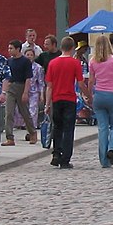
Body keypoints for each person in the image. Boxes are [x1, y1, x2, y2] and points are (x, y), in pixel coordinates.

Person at [87, 34, 113, 168]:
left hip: (99, 95)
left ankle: (104, 161)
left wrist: (89, 95)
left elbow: (91, 80)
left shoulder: (93, 61)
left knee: (102, 128)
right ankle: (112, 148)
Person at [45, 36, 86, 169]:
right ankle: (65, 159)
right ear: (73, 48)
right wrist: (88, 95)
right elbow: (80, 83)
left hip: (56, 99)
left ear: (61, 47)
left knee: (57, 127)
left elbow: (49, 86)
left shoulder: (53, 63)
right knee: (68, 129)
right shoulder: (75, 63)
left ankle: (56, 153)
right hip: (69, 99)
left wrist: (47, 104)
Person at [3, 39, 38, 146]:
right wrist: (4, 89)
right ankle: (9, 137)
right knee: (9, 113)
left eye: (11, 48)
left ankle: (32, 132)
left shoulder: (25, 61)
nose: (9, 50)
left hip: (21, 86)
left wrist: (25, 92)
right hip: (11, 87)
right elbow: (6, 77)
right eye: (9, 48)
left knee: (25, 112)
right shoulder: (9, 61)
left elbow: (28, 78)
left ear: (18, 49)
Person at [13, 47, 45, 134]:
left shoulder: (38, 68)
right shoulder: (22, 65)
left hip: (34, 91)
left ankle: (32, 127)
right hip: (22, 90)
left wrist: (41, 94)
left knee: (33, 110)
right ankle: (22, 125)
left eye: (31, 55)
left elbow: (41, 82)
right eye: (28, 55)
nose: (29, 56)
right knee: (20, 110)